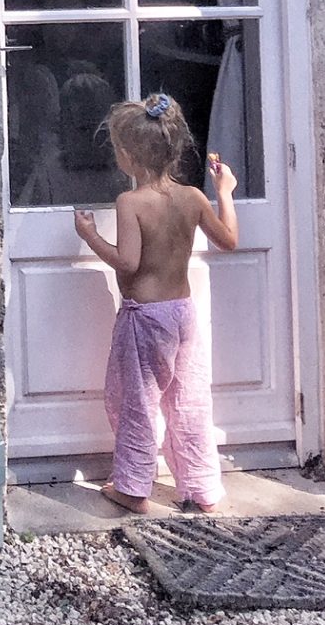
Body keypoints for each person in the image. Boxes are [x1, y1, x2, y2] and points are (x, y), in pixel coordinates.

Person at [73, 92, 239, 515]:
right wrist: (226, 191)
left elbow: (128, 262)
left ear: (128, 156)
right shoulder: (193, 198)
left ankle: (132, 487)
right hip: (183, 316)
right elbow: (230, 242)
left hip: (145, 321)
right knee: (189, 400)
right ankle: (202, 489)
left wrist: (90, 237)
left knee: (137, 403)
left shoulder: (131, 202)